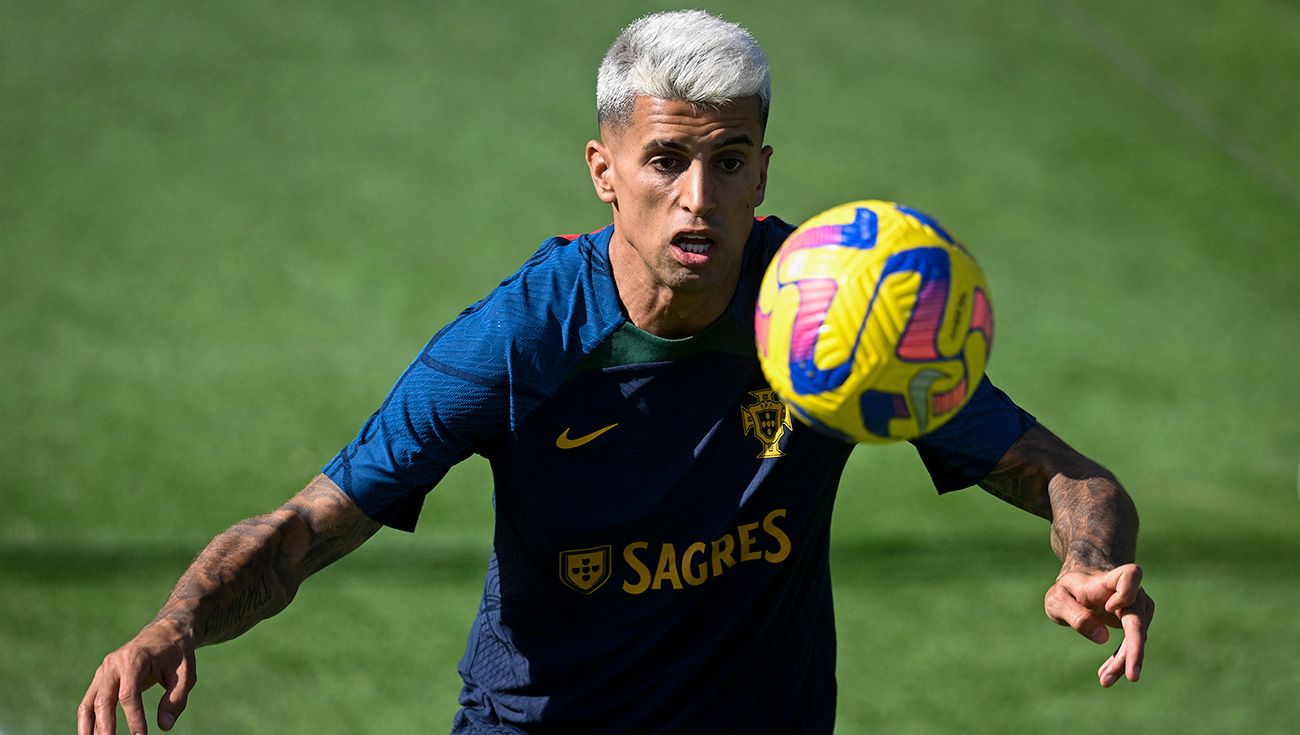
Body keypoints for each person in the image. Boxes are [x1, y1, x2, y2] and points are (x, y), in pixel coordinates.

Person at [79, 9, 1154, 735]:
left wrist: (1090, 559)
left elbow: (1063, 475)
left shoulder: (831, 312)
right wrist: (178, 622)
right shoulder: (523, 340)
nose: (699, 198)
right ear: (604, 171)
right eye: (666, 161)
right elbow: (311, 523)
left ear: (762, 172)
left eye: (728, 163)